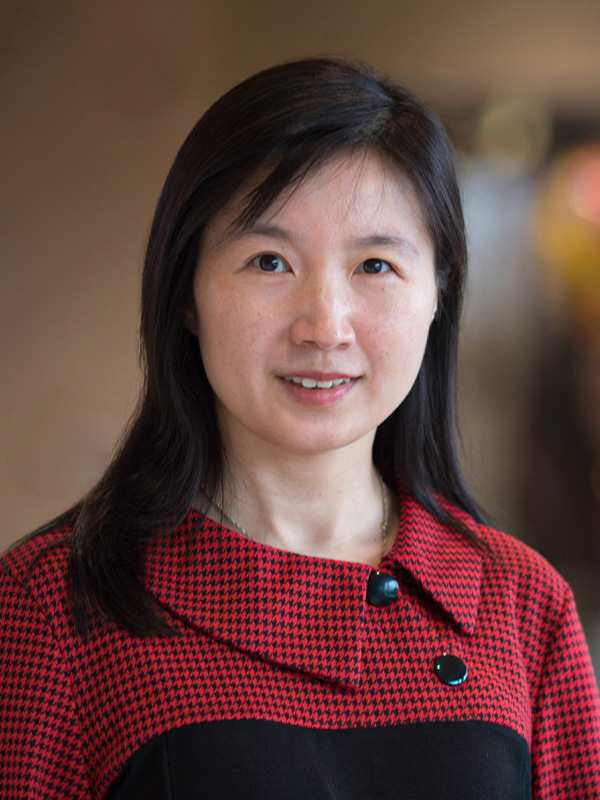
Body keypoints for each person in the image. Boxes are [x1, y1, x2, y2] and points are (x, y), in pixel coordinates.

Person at [1, 57, 599, 799]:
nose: (325, 326)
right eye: (269, 261)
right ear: (185, 292)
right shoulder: (54, 608)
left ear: (438, 295)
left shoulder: (523, 604)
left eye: (375, 265)